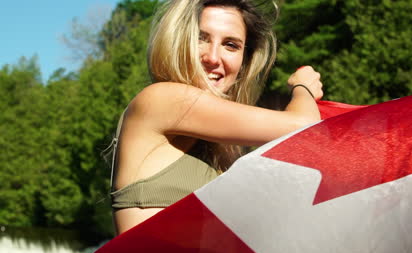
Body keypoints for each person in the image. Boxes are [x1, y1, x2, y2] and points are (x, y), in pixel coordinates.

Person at [110, 0, 324, 235]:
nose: (213, 57)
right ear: (177, 40)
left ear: (244, 60)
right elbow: (305, 127)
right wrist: (303, 87)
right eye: (200, 38)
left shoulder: (223, 147)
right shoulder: (163, 99)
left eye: (230, 45)